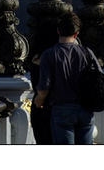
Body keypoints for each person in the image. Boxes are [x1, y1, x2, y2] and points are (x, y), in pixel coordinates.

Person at [33, 13, 99, 145]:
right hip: (85, 109)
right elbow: (99, 79)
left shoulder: (49, 54)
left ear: (58, 31)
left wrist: (39, 101)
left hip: (62, 109)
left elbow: (44, 88)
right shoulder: (87, 52)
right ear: (76, 34)